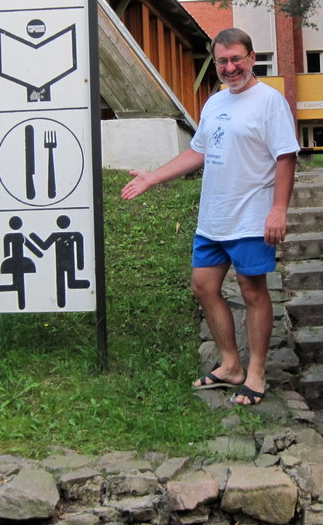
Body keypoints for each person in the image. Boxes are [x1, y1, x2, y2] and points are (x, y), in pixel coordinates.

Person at [121, 28, 299, 406]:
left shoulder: (270, 102)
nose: (230, 67)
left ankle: (256, 372)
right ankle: (231, 365)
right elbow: (198, 151)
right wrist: (153, 177)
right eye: (222, 61)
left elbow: (286, 157)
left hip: (251, 216)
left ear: (252, 58)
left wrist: (278, 209)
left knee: (252, 291)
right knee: (203, 286)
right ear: (215, 63)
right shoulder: (215, 103)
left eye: (236, 59)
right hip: (213, 217)